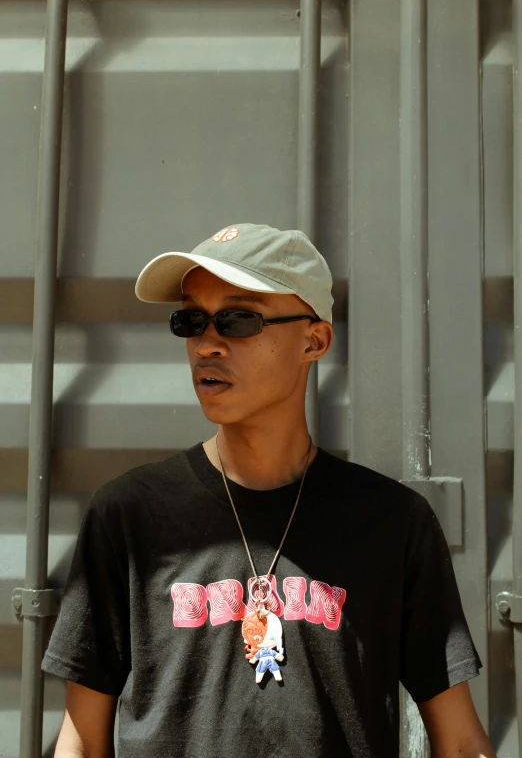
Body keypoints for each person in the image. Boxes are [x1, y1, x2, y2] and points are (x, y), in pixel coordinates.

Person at [43, 223, 496, 758]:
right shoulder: (128, 514)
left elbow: (462, 744)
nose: (207, 344)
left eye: (238, 319)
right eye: (191, 320)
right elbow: (81, 743)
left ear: (314, 340)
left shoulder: (392, 522)